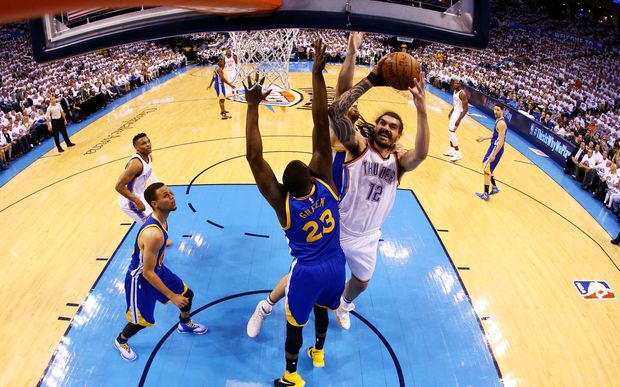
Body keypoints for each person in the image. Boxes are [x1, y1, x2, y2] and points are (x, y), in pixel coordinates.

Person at [246, 53, 430, 335]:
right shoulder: (358, 146)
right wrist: (371, 80)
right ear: (375, 127)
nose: (385, 128)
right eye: (382, 123)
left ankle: (343, 304)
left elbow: (422, 153)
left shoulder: (399, 163)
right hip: (339, 224)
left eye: (393, 127)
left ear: (398, 136)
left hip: (368, 235)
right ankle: (266, 305)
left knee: (362, 281)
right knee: (302, 271)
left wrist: (422, 109)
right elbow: (331, 115)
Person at [245, 39, 345, 387]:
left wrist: (253, 106)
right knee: (322, 310)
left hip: (309, 271)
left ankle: (291, 376)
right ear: (311, 172)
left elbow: (255, 159)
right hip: (337, 263)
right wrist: (317, 74)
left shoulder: (283, 203)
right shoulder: (326, 182)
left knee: (294, 323)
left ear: (286, 189)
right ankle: (319, 352)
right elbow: (320, 124)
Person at [113, 182, 207, 361]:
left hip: (157, 269)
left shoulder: (162, 218)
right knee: (142, 321)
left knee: (187, 295)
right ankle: (121, 340)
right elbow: (147, 273)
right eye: (165, 195)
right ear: (154, 204)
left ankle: (185, 324)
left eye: (171, 193)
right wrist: (172, 296)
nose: (171, 196)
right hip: (140, 278)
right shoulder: (153, 233)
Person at [115, 133, 171, 245]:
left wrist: (161, 188)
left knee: (161, 217)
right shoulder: (135, 164)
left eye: (148, 141)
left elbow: (149, 173)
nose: (148, 145)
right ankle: (143, 254)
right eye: (143, 143)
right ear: (136, 148)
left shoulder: (149, 156)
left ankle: (159, 242)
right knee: (152, 227)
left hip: (140, 196)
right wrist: (137, 201)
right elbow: (119, 186)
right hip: (130, 201)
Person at [475, 104, 507, 201]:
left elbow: (501, 141)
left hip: (496, 148)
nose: (495, 111)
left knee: (486, 170)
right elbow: (495, 135)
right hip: (494, 147)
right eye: (494, 109)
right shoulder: (498, 120)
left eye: (498, 110)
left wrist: (493, 154)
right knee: (489, 169)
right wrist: (484, 138)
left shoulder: (501, 123)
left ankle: (486, 194)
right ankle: (494, 188)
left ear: (502, 111)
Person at [443, 79, 468, 162]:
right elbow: (456, 104)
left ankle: (458, 154)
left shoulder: (462, 94)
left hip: (460, 115)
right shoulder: (454, 91)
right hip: (455, 113)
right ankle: (451, 150)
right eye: (455, 83)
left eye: (458, 83)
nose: (456, 84)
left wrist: (459, 120)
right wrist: (451, 112)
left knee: (451, 132)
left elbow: (465, 109)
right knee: (449, 132)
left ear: (460, 85)